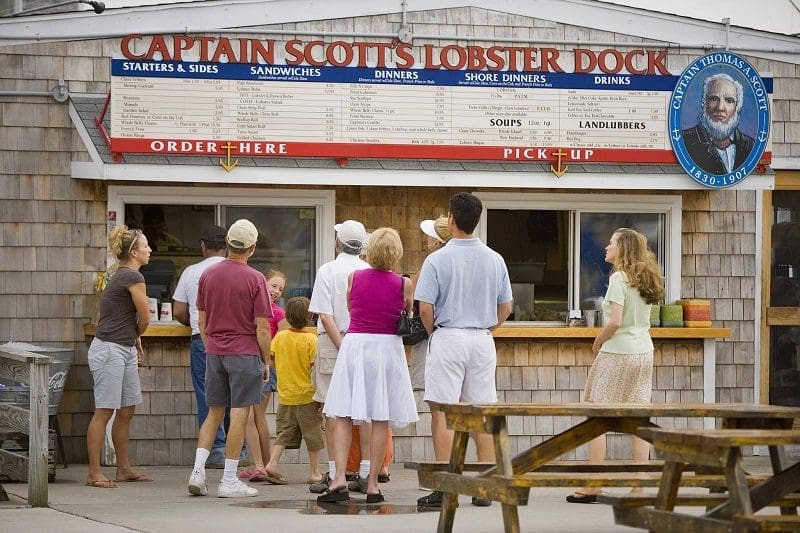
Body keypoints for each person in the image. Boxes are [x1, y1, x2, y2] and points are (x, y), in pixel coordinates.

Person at [415, 192, 513, 509]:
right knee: (479, 412)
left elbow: (425, 308)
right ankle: (483, 485)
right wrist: (487, 329)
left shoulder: (437, 259)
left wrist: (435, 334)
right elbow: (507, 307)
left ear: (452, 219)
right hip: (482, 339)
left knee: (443, 412)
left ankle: (447, 486)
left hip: (449, 335)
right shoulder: (495, 258)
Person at [319, 227, 419, 503]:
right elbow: (406, 312)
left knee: (341, 412)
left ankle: (338, 477)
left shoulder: (354, 276)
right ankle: (372, 483)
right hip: (387, 348)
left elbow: (352, 309)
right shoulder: (404, 283)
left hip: (357, 343)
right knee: (379, 416)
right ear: (396, 252)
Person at [566, 228, 665, 504]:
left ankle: (593, 485)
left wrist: (597, 343)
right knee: (637, 418)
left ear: (622, 248)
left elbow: (615, 322)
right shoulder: (644, 277)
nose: (605, 247)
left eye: (611, 243)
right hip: (644, 351)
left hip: (618, 352)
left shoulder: (619, 278)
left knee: (597, 418)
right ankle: (639, 488)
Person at [187, 219, 272, 498]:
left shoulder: (208, 275)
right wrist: (266, 359)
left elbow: (201, 319)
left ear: (228, 244)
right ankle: (228, 479)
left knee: (214, 412)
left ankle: (198, 472)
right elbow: (262, 327)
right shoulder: (256, 278)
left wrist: (212, 343)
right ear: (252, 247)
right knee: (239, 413)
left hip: (214, 350)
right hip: (244, 352)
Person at [85, 226, 154, 488]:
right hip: (109, 349)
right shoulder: (132, 276)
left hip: (122, 347)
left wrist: (133, 339)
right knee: (104, 411)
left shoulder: (124, 275)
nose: (150, 250)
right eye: (146, 245)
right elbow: (145, 315)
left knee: (126, 409)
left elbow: (119, 316)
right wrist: (138, 333)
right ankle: (94, 473)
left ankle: (123, 469)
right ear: (134, 252)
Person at [307, 220, 370, 493]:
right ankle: (366, 471)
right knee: (365, 410)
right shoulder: (369, 270)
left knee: (333, 411)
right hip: (365, 341)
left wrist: (341, 344)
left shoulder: (328, 270)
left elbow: (324, 313)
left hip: (334, 342)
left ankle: (336, 474)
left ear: (337, 243)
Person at [172, 225, 229, 468]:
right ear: (226, 247)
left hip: (202, 339)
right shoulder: (240, 271)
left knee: (207, 396)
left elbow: (178, 311)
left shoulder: (191, 272)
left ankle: (215, 451)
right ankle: (240, 450)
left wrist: (193, 321)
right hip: (235, 342)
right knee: (236, 396)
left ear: (203, 246)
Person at [262, 297, 325, 484]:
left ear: (287, 316)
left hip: (286, 394)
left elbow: (271, 361)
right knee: (313, 436)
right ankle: (314, 473)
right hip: (308, 396)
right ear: (310, 316)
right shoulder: (311, 340)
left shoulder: (280, 337)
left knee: (284, 432)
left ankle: (272, 463)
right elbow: (315, 369)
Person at [239, 269, 289, 482]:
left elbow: (285, 340)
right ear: (263, 283)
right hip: (250, 364)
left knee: (254, 416)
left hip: (267, 368)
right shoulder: (251, 309)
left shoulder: (278, 313)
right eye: (273, 285)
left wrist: (272, 362)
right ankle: (262, 463)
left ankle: (263, 464)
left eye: (280, 289)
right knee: (250, 417)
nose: (276, 291)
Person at [681, 72, 756, 175]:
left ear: (737, 107)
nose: (720, 107)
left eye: (729, 101)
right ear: (704, 104)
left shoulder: (751, 146)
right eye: (714, 99)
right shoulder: (684, 142)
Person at [409, 216, 452, 390]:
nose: (427, 238)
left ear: (437, 242)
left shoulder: (431, 263)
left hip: (429, 334)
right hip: (450, 334)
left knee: (423, 388)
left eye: (430, 235)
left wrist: (432, 332)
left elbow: (415, 296)